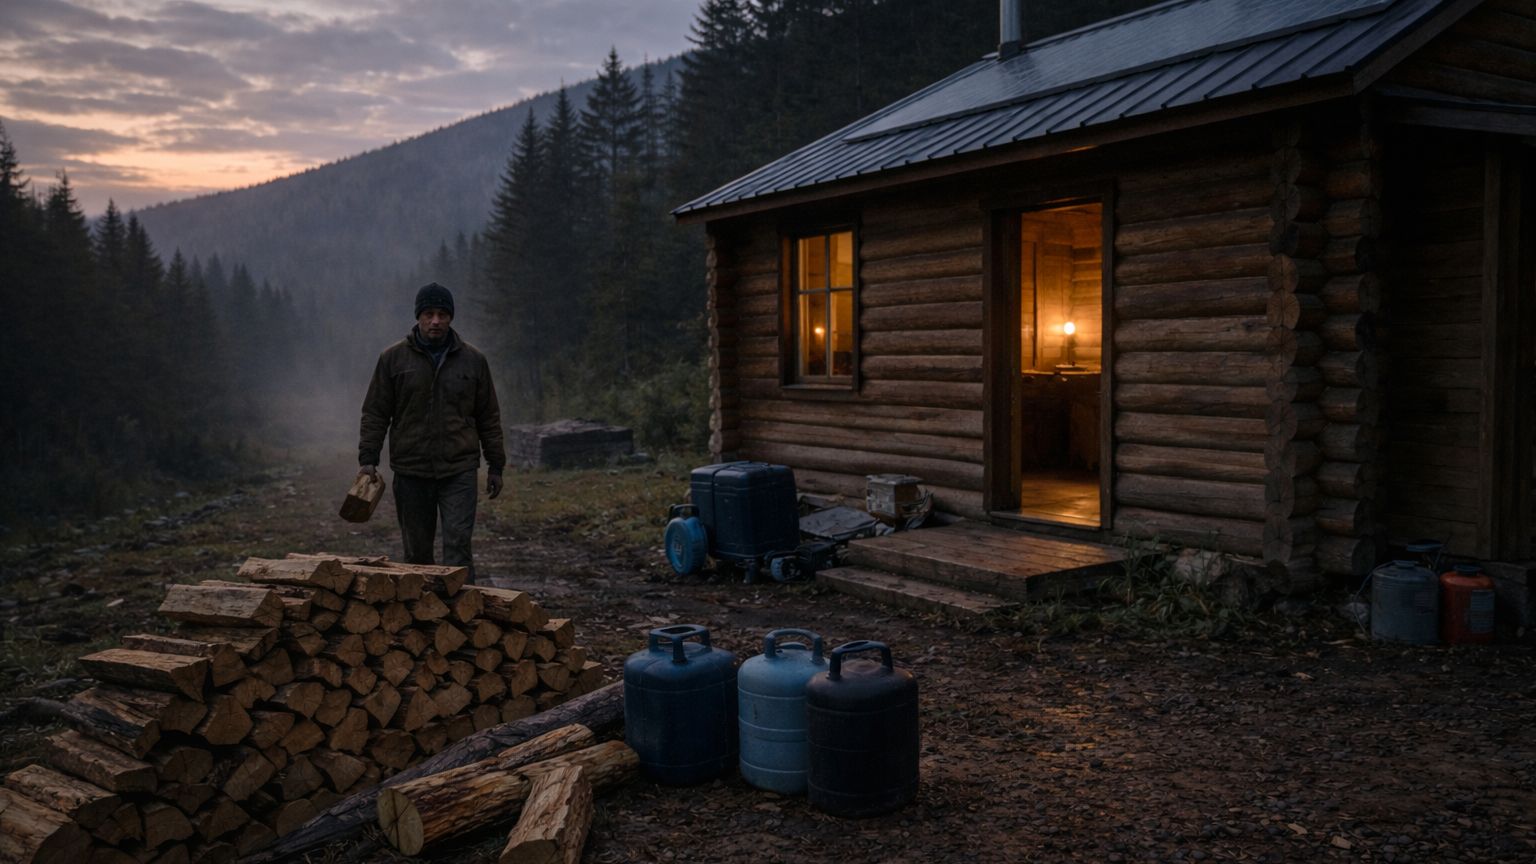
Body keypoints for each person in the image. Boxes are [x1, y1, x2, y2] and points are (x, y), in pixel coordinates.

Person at [357, 282, 504, 581]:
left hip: (459, 469)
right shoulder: (393, 359)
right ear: (418, 317)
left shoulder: (473, 360)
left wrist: (496, 465)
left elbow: (488, 416)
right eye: (428, 314)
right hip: (411, 470)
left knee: (458, 548)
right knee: (417, 555)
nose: (435, 321)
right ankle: (421, 609)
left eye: (442, 314)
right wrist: (368, 458)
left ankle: (462, 608)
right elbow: (376, 412)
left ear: (450, 318)